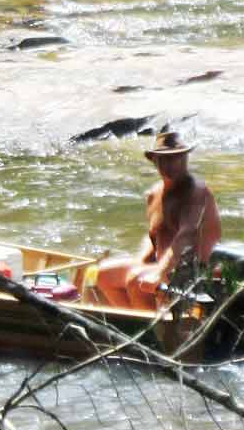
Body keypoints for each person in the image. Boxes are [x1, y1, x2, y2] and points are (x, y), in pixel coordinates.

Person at [92, 131, 221, 310]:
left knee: (135, 280)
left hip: (195, 271)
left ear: (185, 159)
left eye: (176, 158)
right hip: (165, 264)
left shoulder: (197, 192)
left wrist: (160, 272)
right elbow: (155, 236)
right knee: (104, 274)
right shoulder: (154, 194)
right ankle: (130, 323)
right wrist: (141, 261)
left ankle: (151, 333)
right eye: (163, 159)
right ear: (154, 161)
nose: (170, 164)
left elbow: (185, 236)